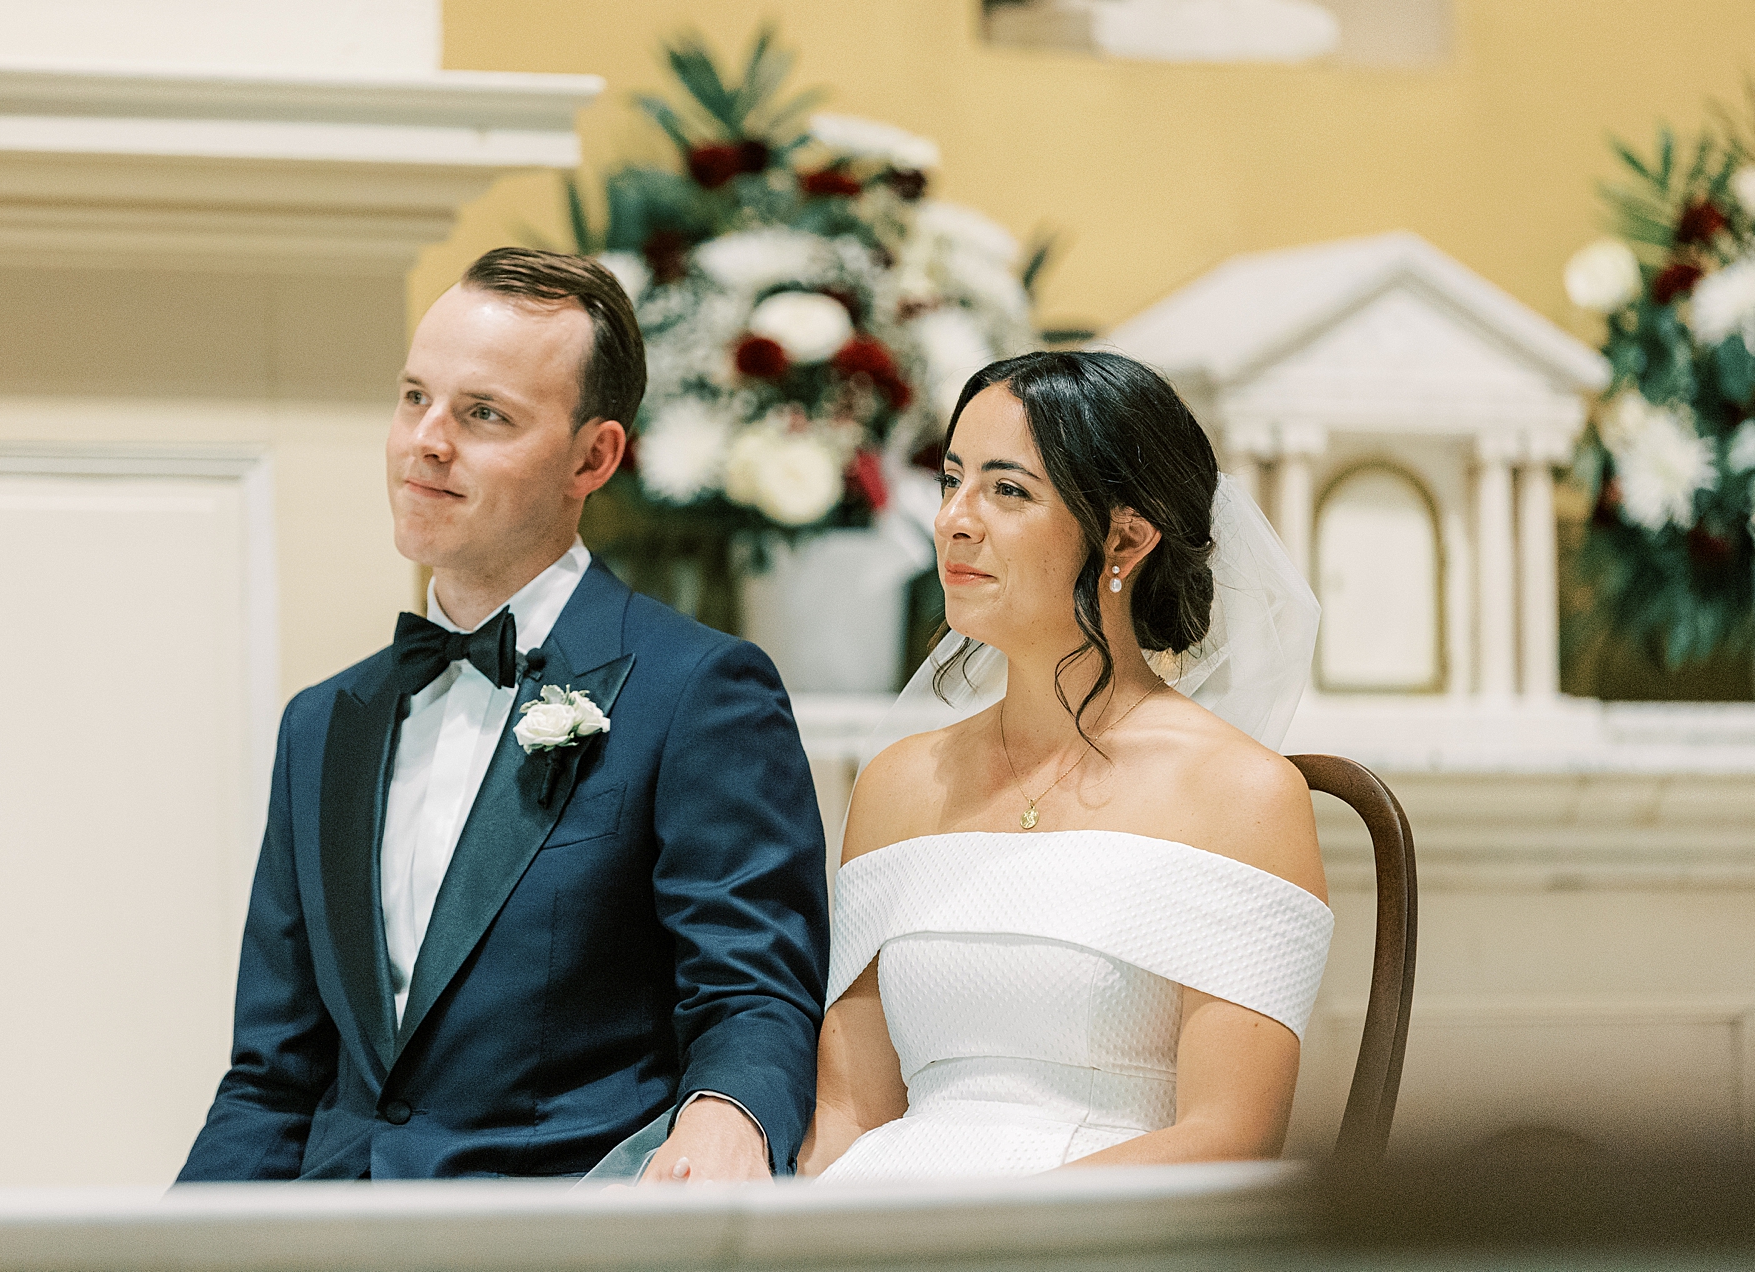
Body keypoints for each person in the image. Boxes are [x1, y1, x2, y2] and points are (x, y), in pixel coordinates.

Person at [178, 248, 828, 1183]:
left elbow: (752, 992)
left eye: (483, 415)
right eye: (414, 398)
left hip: (564, 1229)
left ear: (593, 456)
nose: (426, 442)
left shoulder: (699, 691)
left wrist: (727, 1116)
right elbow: (273, 1080)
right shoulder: (323, 723)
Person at [798, 349, 1332, 1180]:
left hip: (1092, 1237)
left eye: (1007, 490)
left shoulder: (1243, 795)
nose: (954, 521)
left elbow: (1229, 1138)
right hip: (880, 1224)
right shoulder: (899, 784)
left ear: (1126, 535)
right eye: (950, 480)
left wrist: (988, 1235)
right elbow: (851, 1109)